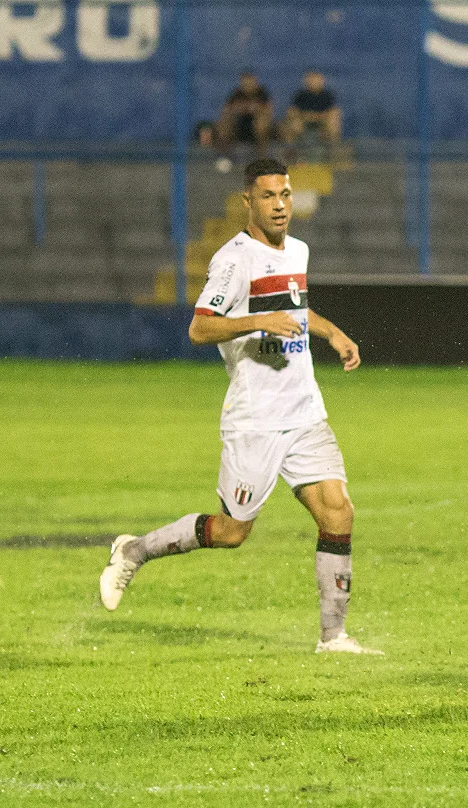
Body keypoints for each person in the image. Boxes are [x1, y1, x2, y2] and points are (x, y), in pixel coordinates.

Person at [99, 158, 378, 655]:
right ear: (247, 201)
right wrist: (257, 322)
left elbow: (292, 306)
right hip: (256, 420)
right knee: (231, 532)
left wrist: (332, 332)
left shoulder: (298, 250)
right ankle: (134, 551)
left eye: (286, 195)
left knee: (338, 514)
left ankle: (333, 637)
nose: (279, 205)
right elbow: (200, 327)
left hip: (304, 411)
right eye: (268, 196)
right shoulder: (233, 259)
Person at [281, 70, 341, 146]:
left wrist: (317, 116)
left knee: (334, 119)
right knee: (294, 123)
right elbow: (293, 110)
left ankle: (332, 147)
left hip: (322, 120)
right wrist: (307, 116)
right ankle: (292, 148)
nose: (313, 82)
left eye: (316, 80)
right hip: (304, 120)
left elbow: (332, 110)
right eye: (311, 80)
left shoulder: (327, 95)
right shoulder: (300, 95)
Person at [217, 71, 273, 151]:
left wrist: (255, 109)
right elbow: (225, 110)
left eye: (250, 83)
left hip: (256, 127)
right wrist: (239, 109)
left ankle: (263, 155)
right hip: (239, 124)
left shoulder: (262, 93)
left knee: (261, 124)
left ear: (255, 82)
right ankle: (224, 156)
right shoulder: (236, 94)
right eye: (244, 83)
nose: (247, 86)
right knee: (224, 125)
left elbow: (269, 111)